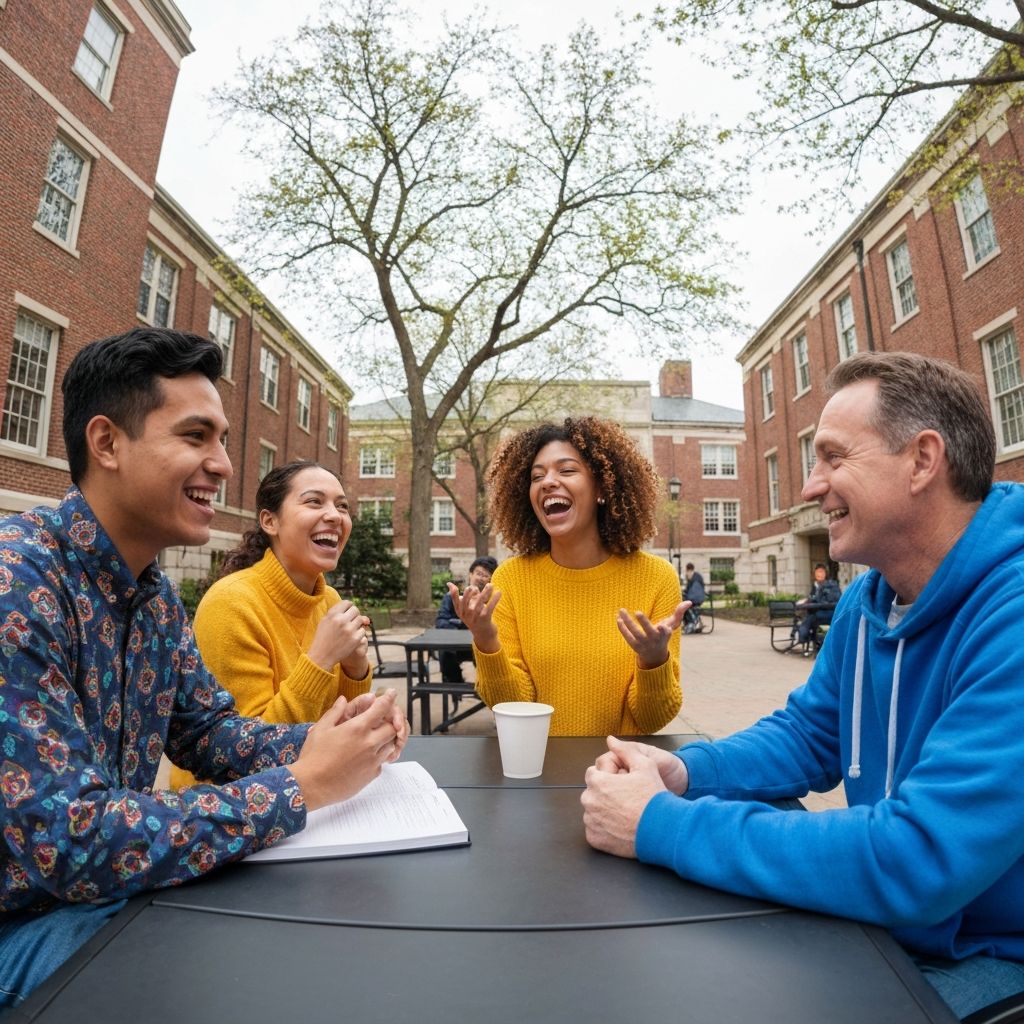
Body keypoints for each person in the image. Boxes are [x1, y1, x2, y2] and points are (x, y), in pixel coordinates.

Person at [581, 351, 1024, 1021]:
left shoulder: (1012, 612)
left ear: (923, 460)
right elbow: (808, 736)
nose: (810, 488)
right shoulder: (868, 599)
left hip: (992, 956)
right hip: (894, 930)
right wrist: (679, 770)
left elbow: (918, 858)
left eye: (833, 458)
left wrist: (658, 824)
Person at [0, 327, 407, 1010]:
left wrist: (337, 737)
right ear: (106, 443)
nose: (223, 464)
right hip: (23, 922)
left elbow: (213, 733)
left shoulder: (153, 595)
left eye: (222, 439)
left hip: (99, 899)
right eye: (196, 437)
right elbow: (71, 842)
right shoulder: (18, 584)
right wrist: (302, 785)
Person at [450, 416, 686, 736]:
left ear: (602, 488)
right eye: (537, 476)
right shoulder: (510, 580)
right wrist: (486, 639)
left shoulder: (656, 577)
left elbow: (651, 719)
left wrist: (653, 660)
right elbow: (511, 706)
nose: (548, 481)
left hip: (620, 773)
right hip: (534, 770)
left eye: (567, 470)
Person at [169, 460, 374, 789]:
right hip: (223, 809)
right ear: (270, 521)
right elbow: (246, 755)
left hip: (311, 790)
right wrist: (320, 660)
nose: (335, 516)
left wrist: (355, 669)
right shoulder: (231, 604)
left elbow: (341, 727)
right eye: (313, 501)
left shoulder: (330, 600)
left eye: (342, 506)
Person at [435, 556, 498, 684]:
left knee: (486, 657)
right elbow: (441, 621)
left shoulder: (493, 602)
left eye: (485, 576)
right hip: (456, 647)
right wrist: (464, 624)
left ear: (490, 581)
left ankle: (486, 687)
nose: (480, 578)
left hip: (479, 646)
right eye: (478, 573)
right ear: (470, 574)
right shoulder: (453, 597)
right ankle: (454, 686)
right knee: (445, 653)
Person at [794, 562, 841, 648]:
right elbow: (815, 598)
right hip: (823, 612)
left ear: (825, 574)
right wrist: (807, 601)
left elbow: (827, 602)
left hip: (827, 614)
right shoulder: (817, 586)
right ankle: (807, 638)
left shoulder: (830, 585)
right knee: (808, 617)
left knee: (811, 619)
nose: (819, 574)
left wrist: (811, 604)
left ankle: (805, 638)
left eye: (821, 572)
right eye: (817, 572)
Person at [681, 562, 706, 634]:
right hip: (695, 599)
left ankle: (692, 623)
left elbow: (694, 592)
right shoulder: (696, 577)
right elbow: (689, 590)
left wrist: (686, 596)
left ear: (689, 570)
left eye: (686, 571)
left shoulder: (695, 578)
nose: (686, 573)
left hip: (695, 599)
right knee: (684, 605)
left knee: (684, 606)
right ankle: (694, 622)